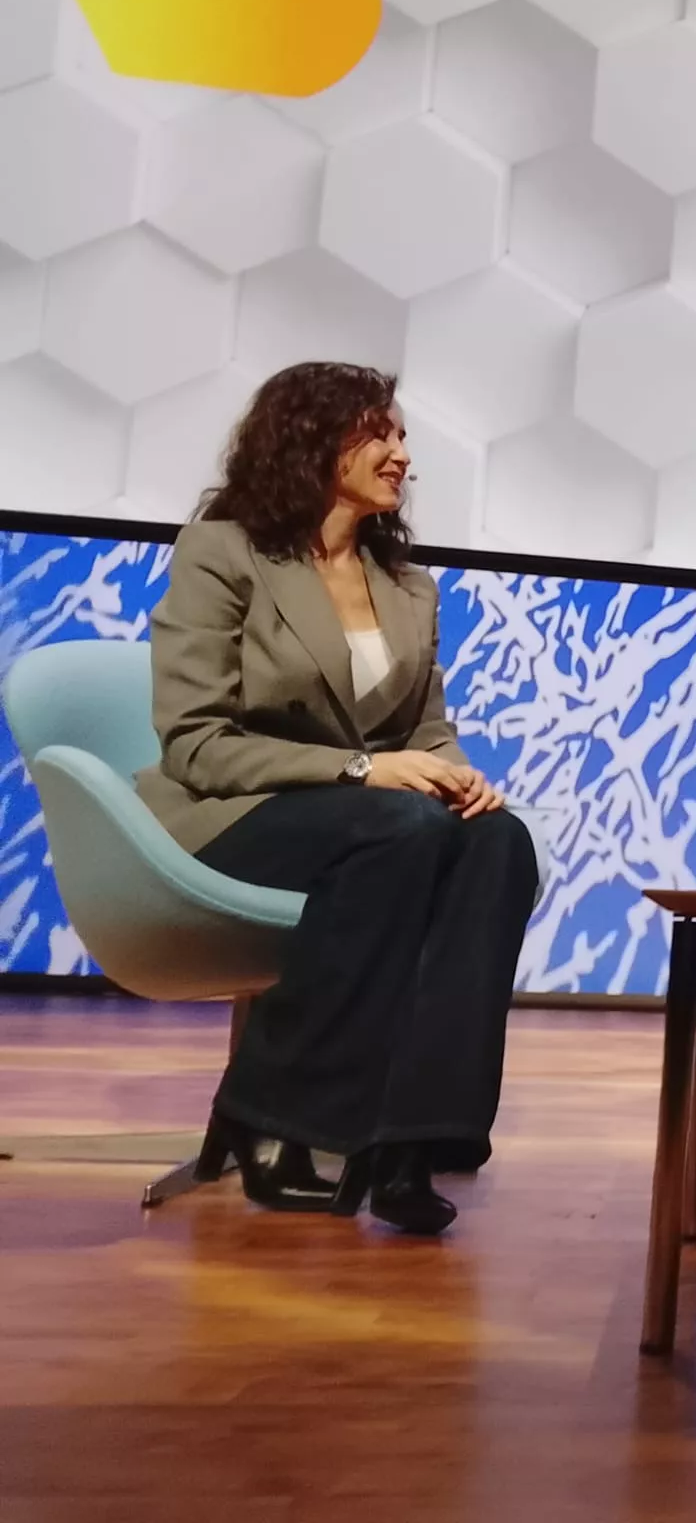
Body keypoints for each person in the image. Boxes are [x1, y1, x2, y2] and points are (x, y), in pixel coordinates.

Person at [136, 362, 539, 1237]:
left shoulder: (407, 587)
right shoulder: (224, 551)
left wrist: (459, 777)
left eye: (400, 437)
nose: (401, 456)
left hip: (367, 825)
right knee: (394, 826)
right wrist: (364, 772)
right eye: (379, 433)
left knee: (497, 842)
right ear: (313, 440)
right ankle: (276, 1116)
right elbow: (195, 742)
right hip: (232, 815)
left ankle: (412, 1137)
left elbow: (425, 731)